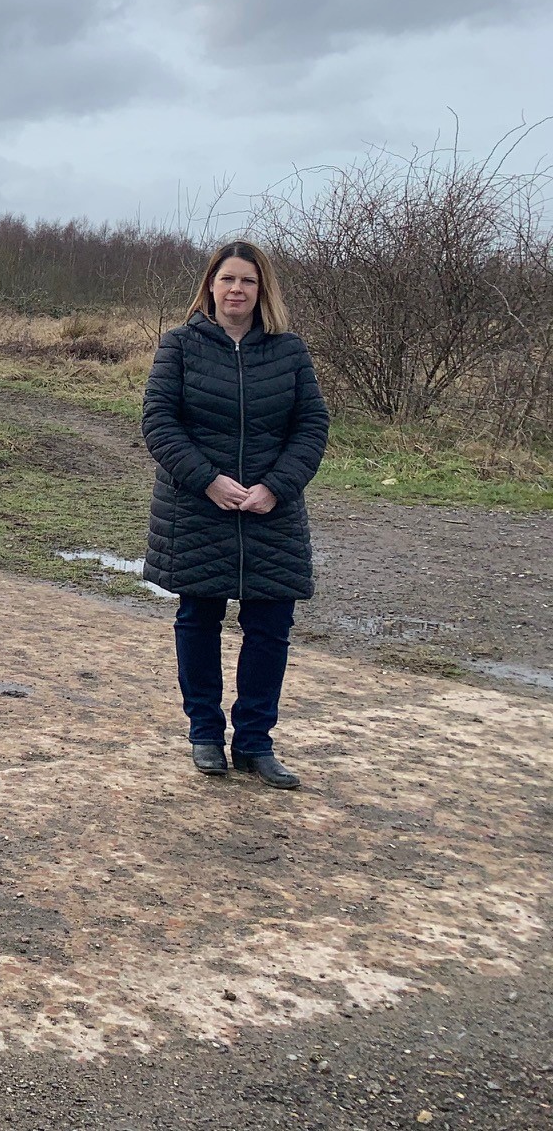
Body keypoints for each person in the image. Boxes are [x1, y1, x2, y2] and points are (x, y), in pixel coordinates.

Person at [141, 240, 329, 789]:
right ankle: (204, 734)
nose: (237, 290)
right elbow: (159, 423)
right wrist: (208, 481)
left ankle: (254, 743)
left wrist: (276, 486)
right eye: (227, 279)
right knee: (198, 620)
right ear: (210, 286)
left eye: (248, 281)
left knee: (270, 628)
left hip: (272, 512)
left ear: (261, 290)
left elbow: (311, 427)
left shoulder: (289, 351)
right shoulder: (178, 346)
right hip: (198, 509)